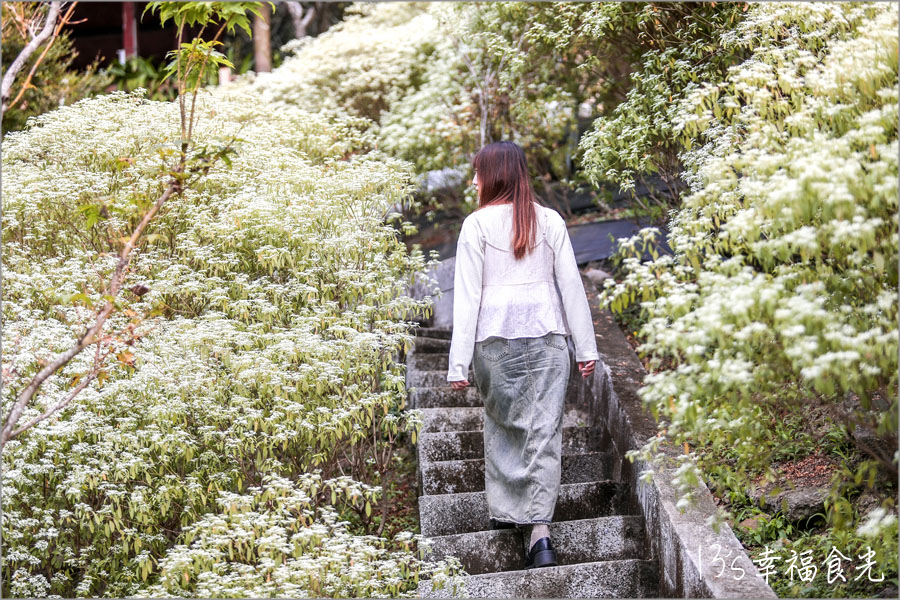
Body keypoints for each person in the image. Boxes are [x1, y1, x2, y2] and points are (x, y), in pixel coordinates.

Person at [446, 140, 599, 570]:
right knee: (543, 431)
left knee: (503, 427)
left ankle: (514, 514)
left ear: (493, 175)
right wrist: (585, 347)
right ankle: (540, 534)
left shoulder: (475, 226)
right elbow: (571, 286)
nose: (473, 181)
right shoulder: (549, 221)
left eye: (477, 172)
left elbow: (468, 298)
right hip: (549, 338)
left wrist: (458, 363)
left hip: (494, 342)